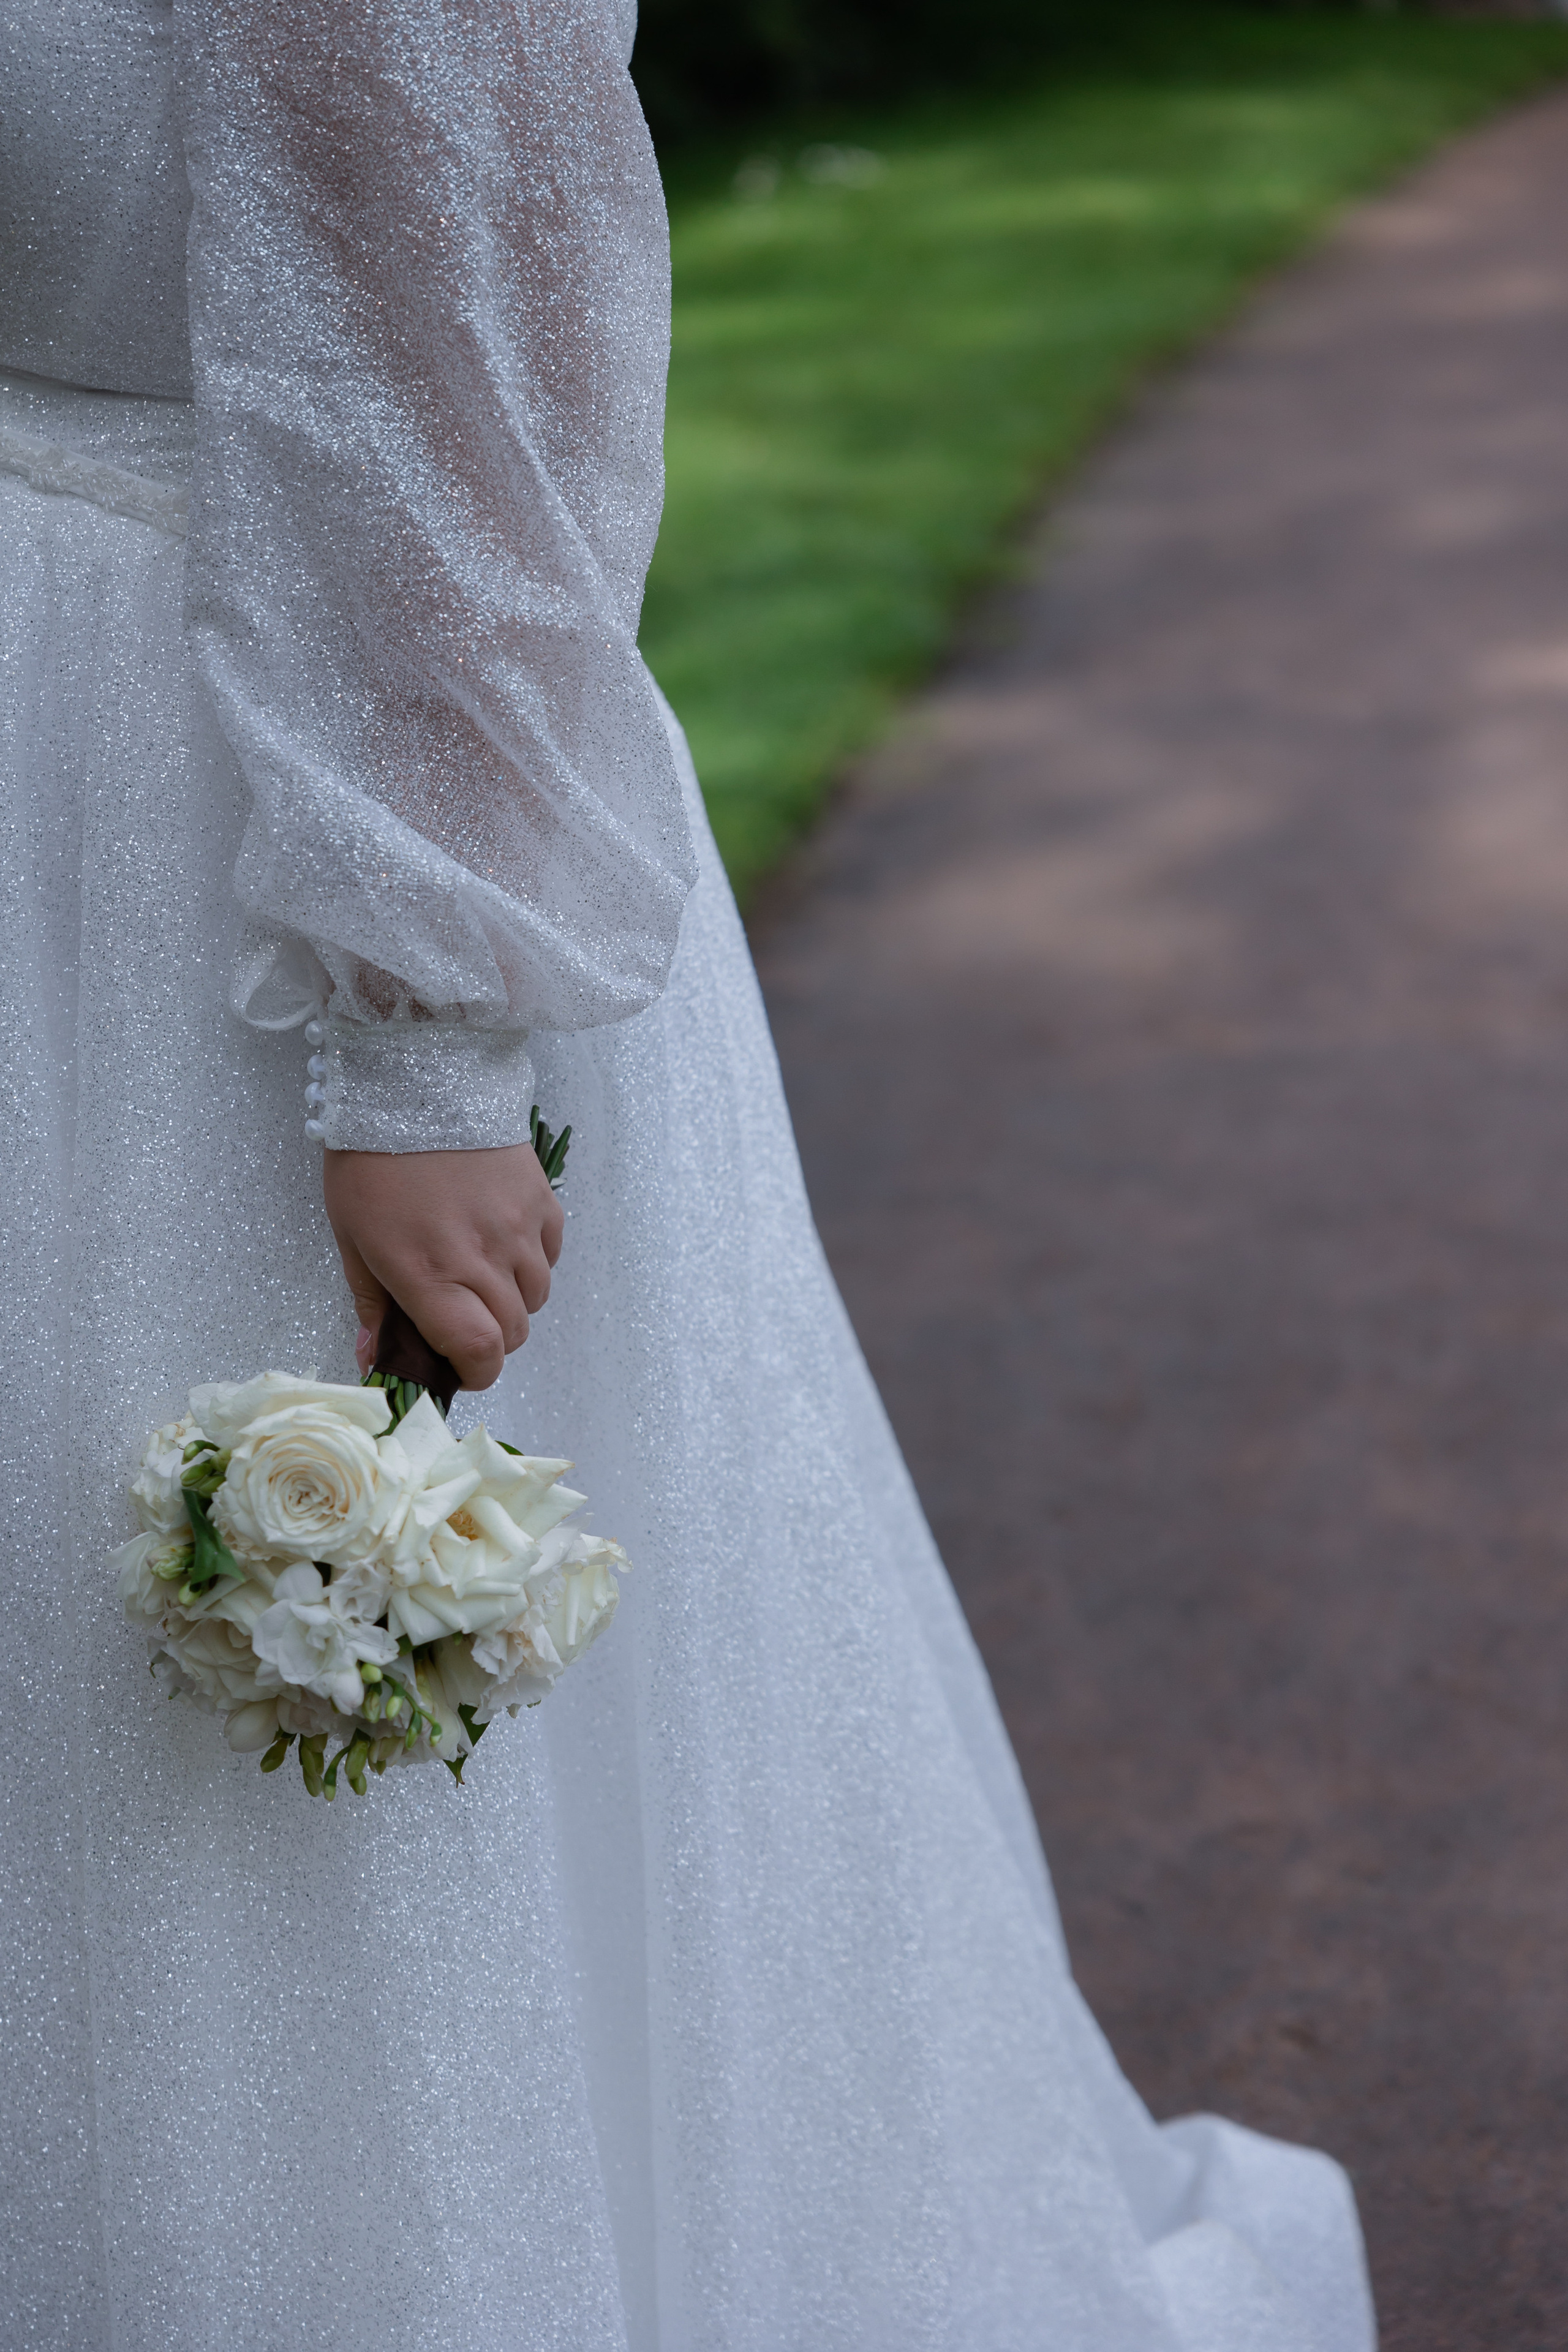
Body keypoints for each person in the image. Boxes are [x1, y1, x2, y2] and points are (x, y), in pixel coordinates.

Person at [0, 5, 1376, 2346]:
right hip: (58, 779)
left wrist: (417, 1035)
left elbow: (451, 327)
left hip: (222, 833)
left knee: (255, 1730)